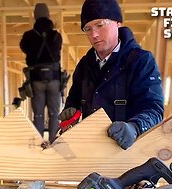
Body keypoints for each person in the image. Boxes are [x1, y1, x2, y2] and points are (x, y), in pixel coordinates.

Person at [59, 0, 164, 150]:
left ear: (117, 23)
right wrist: (70, 110)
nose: (94, 34)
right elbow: (74, 100)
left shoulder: (141, 61)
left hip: (127, 153)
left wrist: (135, 128)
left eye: (100, 25)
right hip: (90, 150)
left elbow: (154, 108)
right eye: (88, 29)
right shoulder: (85, 65)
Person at [20, 3, 63, 143]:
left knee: (38, 115)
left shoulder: (28, 36)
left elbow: (23, 47)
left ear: (35, 17)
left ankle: (40, 146)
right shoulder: (56, 36)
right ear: (49, 16)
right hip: (54, 79)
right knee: (54, 114)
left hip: (36, 79)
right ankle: (54, 144)